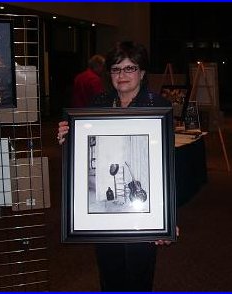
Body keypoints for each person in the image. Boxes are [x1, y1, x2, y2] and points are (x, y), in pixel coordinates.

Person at [57, 41, 179, 291]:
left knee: (138, 276)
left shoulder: (157, 107)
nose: (122, 75)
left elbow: (167, 166)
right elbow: (83, 146)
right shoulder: (98, 102)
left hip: (144, 216)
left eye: (129, 68)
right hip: (106, 224)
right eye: (116, 69)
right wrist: (67, 138)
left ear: (142, 73)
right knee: (110, 274)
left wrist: (168, 216)